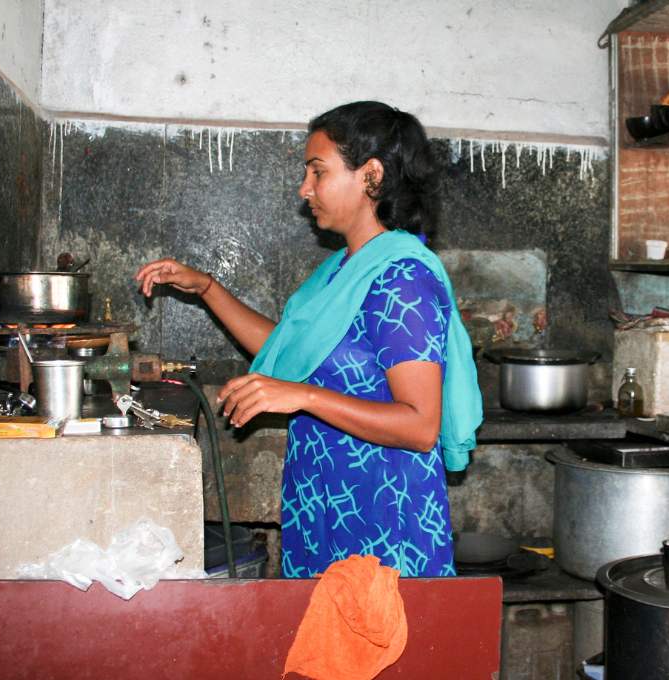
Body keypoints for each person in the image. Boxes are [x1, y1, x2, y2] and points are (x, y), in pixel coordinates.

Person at [135, 101, 482, 578]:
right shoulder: (342, 269)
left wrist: (301, 396)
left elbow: (419, 426)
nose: (305, 190)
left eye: (318, 172)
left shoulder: (401, 278)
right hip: (325, 506)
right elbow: (289, 353)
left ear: (371, 176)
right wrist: (208, 290)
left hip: (383, 522)